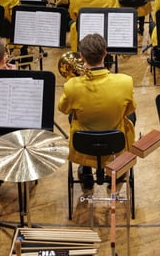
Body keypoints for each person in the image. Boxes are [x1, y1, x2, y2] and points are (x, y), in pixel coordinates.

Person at [58, 33, 135, 190]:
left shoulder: (72, 85)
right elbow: (129, 110)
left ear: (81, 56)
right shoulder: (125, 82)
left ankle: (86, 169)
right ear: (105, 54)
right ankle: (116, 169)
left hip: (83, 143)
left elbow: (63, 109)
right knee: (130, 116)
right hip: (115, 141)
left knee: (74, 116)